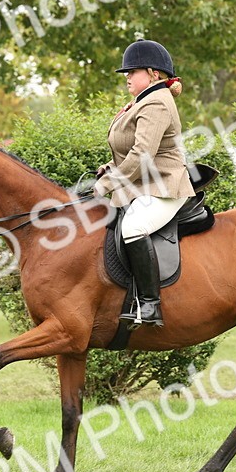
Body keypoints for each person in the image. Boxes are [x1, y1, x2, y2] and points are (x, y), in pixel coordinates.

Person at [92, 39, 195, 328]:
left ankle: (151, 305)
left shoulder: (157, 102)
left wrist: (110, 183)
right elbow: (130, 150)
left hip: (164, 186)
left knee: (133, 228)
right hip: (144, 185)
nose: (126, 76)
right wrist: (110, 168)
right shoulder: (142, 101)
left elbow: (143, 155)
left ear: (152, 73)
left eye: (132, 70)